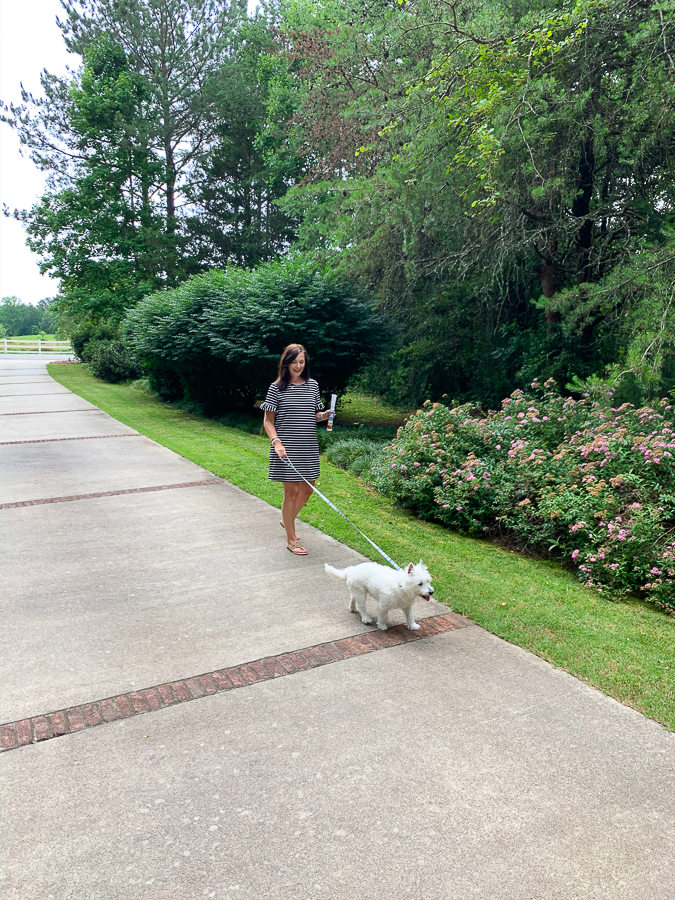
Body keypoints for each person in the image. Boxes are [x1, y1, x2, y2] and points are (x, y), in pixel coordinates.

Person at [261, 344, 330, 555]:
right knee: (291, 493)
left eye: (302, 362)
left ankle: (286, 519)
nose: (298, 366)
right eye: (294, 362)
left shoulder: (312, 385)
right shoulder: (276, 388)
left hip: (308, 446)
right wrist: (276, 442)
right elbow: (268, 421)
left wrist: (323, 416)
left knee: (308, 489)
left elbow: (312, 415)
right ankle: (292, 539)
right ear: (286, 362)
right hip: (286, 448)